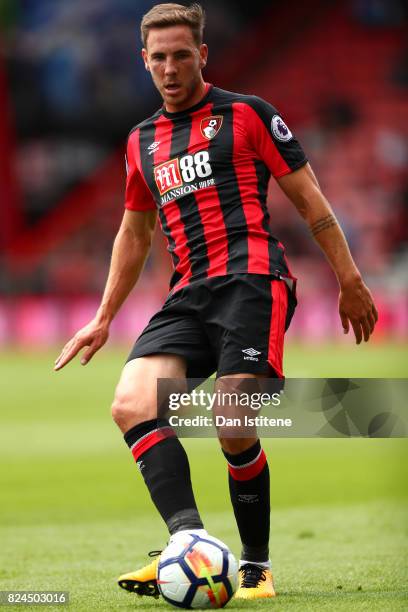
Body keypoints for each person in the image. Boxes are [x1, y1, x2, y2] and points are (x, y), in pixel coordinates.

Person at [54, 2, 378, 601]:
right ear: (143, 61)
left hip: (252, 282)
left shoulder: (248, 115)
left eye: (182, 55)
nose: (171, 68)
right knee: (130, 403)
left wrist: (349, 279)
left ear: (202, 54)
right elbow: (135, 232)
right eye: (159, 58)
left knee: (231, 420)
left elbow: (310, 200)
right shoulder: (141, 141)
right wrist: (103, 317)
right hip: (187, 293)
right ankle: (188, 546)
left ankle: (256, 562)